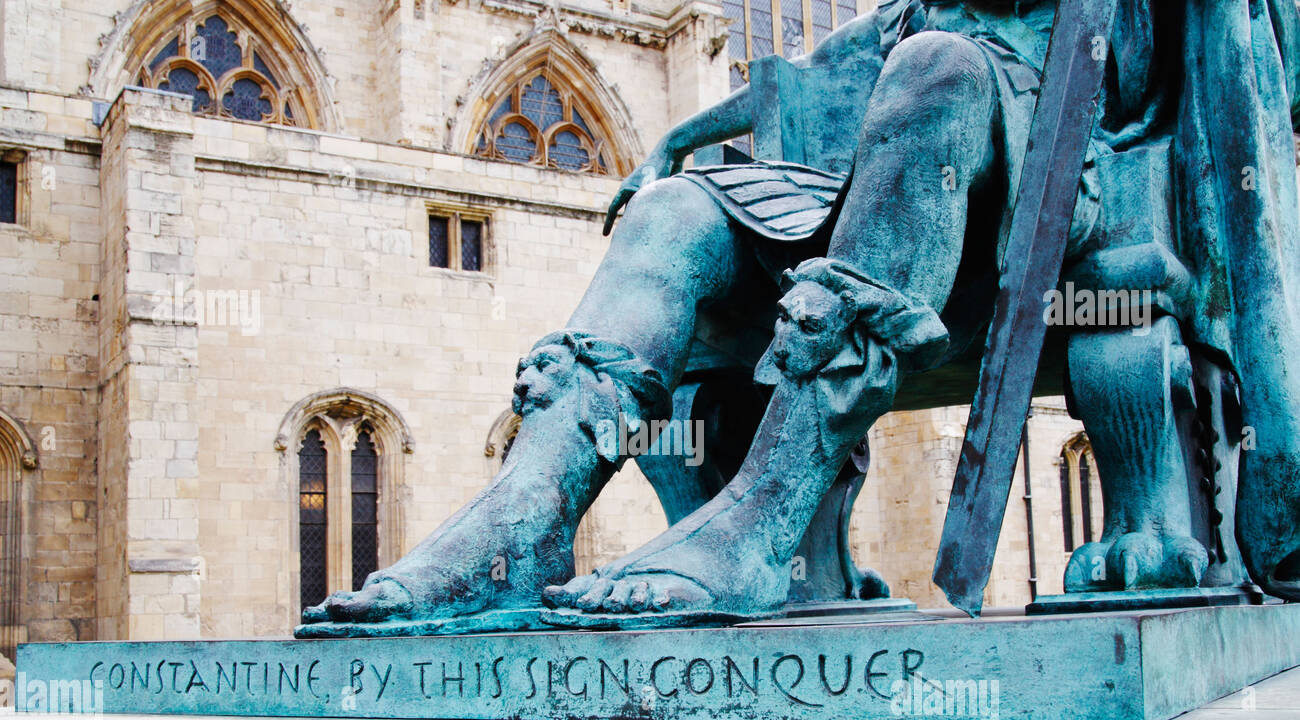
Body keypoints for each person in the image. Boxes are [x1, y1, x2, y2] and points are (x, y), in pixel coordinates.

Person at [302, 0, 1300, 630]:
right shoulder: (910, 21)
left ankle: (761, 522)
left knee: (939, 68)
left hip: (1051, 194)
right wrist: (680, 140)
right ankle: (522, 523)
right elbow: (820, 71)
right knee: (673, 209)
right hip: (882, 194)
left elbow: (1254, 81)